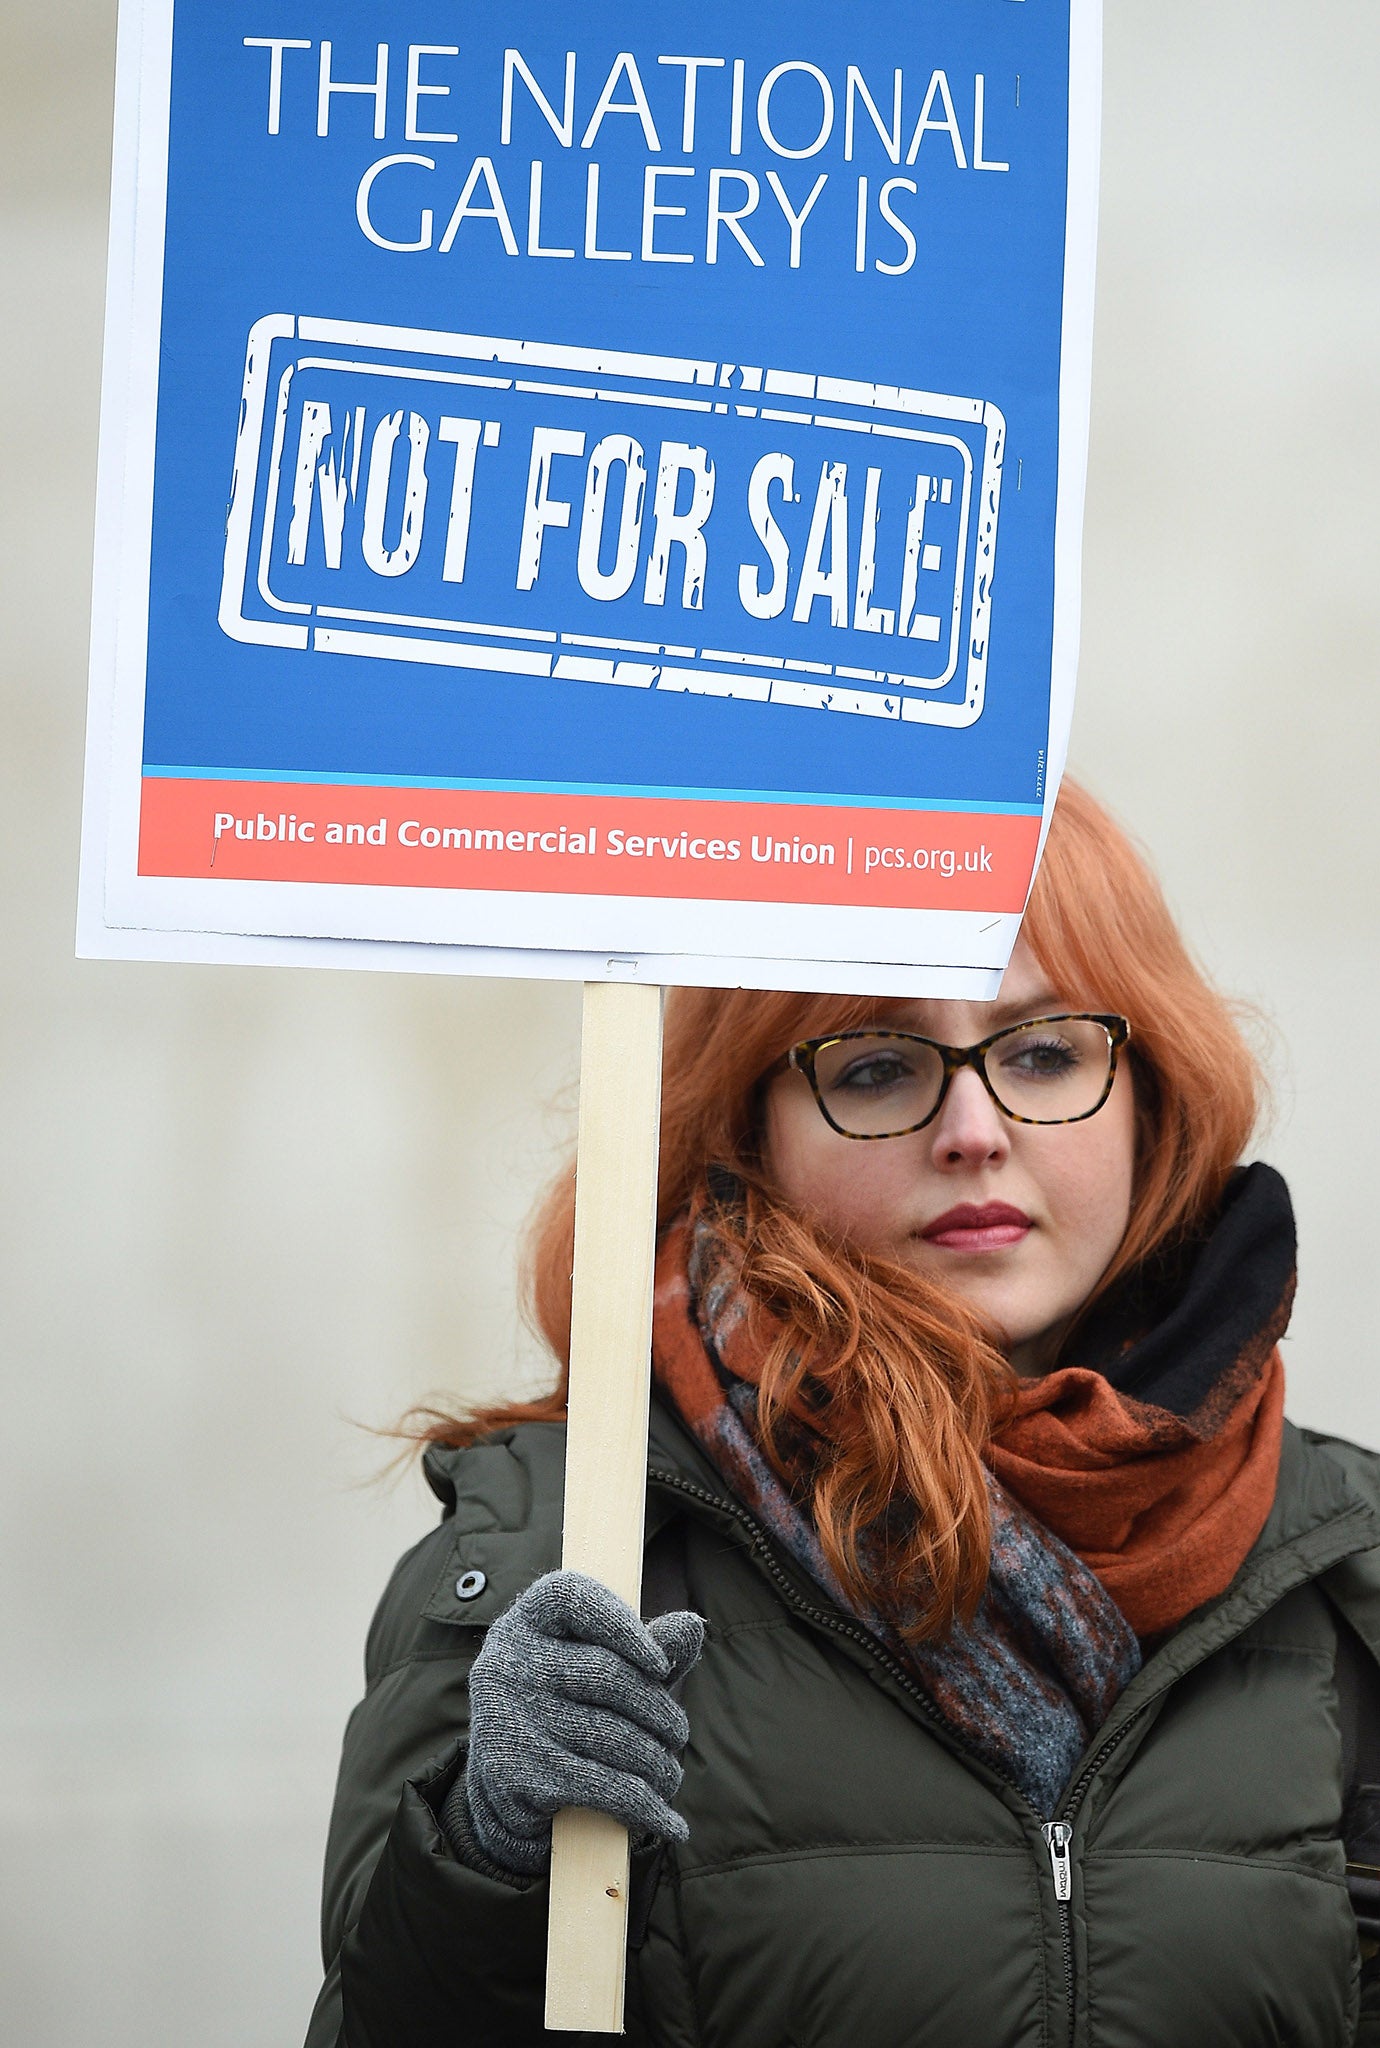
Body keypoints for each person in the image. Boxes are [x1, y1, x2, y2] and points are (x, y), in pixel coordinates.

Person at [305, 780, 1380, 2047]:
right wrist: (485, 1856)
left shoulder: (1339, 1560)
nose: (976, 1129)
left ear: (1151, 1086)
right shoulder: (564, 1544)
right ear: (748, 1127)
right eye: (876, 1067)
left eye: (1043, 1051)